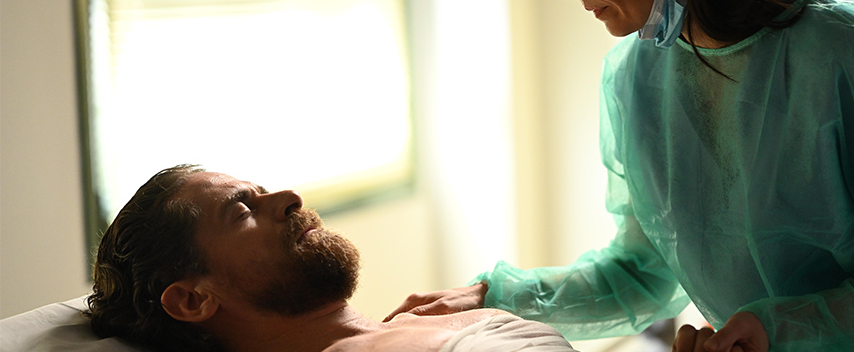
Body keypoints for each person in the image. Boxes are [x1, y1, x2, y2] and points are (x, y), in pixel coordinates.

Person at [385, 0, 854, 351]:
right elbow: (639, 274)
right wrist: (492, 297)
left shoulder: (842, 52)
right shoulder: (637, 77)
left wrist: (783, 328)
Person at [86, 164, 579, 352]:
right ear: (193, 300)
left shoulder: (425, 321)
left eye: (261, 190)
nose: (290, 198)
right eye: (241, 210)